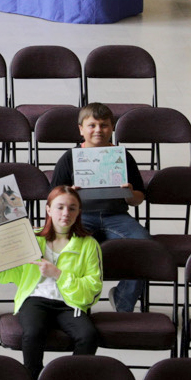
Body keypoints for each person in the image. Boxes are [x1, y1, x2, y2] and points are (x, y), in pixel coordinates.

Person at [0, 186, 102, 380]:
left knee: (88, 336)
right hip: (35, 299)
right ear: (48, 209)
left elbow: (93, 288)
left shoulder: (88, 244)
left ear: (79, 211)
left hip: (70, 302)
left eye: (72, 208)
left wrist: (58, 274)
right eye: (59, 207)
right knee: (33, 333)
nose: (65, 213)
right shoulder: (30, 236)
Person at [49, 103, 150, 312]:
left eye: (103, 125)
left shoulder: (123, 157)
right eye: (92, 125)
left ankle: (123, 301)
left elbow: (139, 198)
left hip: (117, 216)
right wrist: (70, 194)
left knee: (144, 247)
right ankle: (73, 304)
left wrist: (129, 192)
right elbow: (52, 199)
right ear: (81, 129)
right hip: (82, 217)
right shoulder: (69, 158)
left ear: (111, 128)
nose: (98, 130)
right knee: (69, 248)